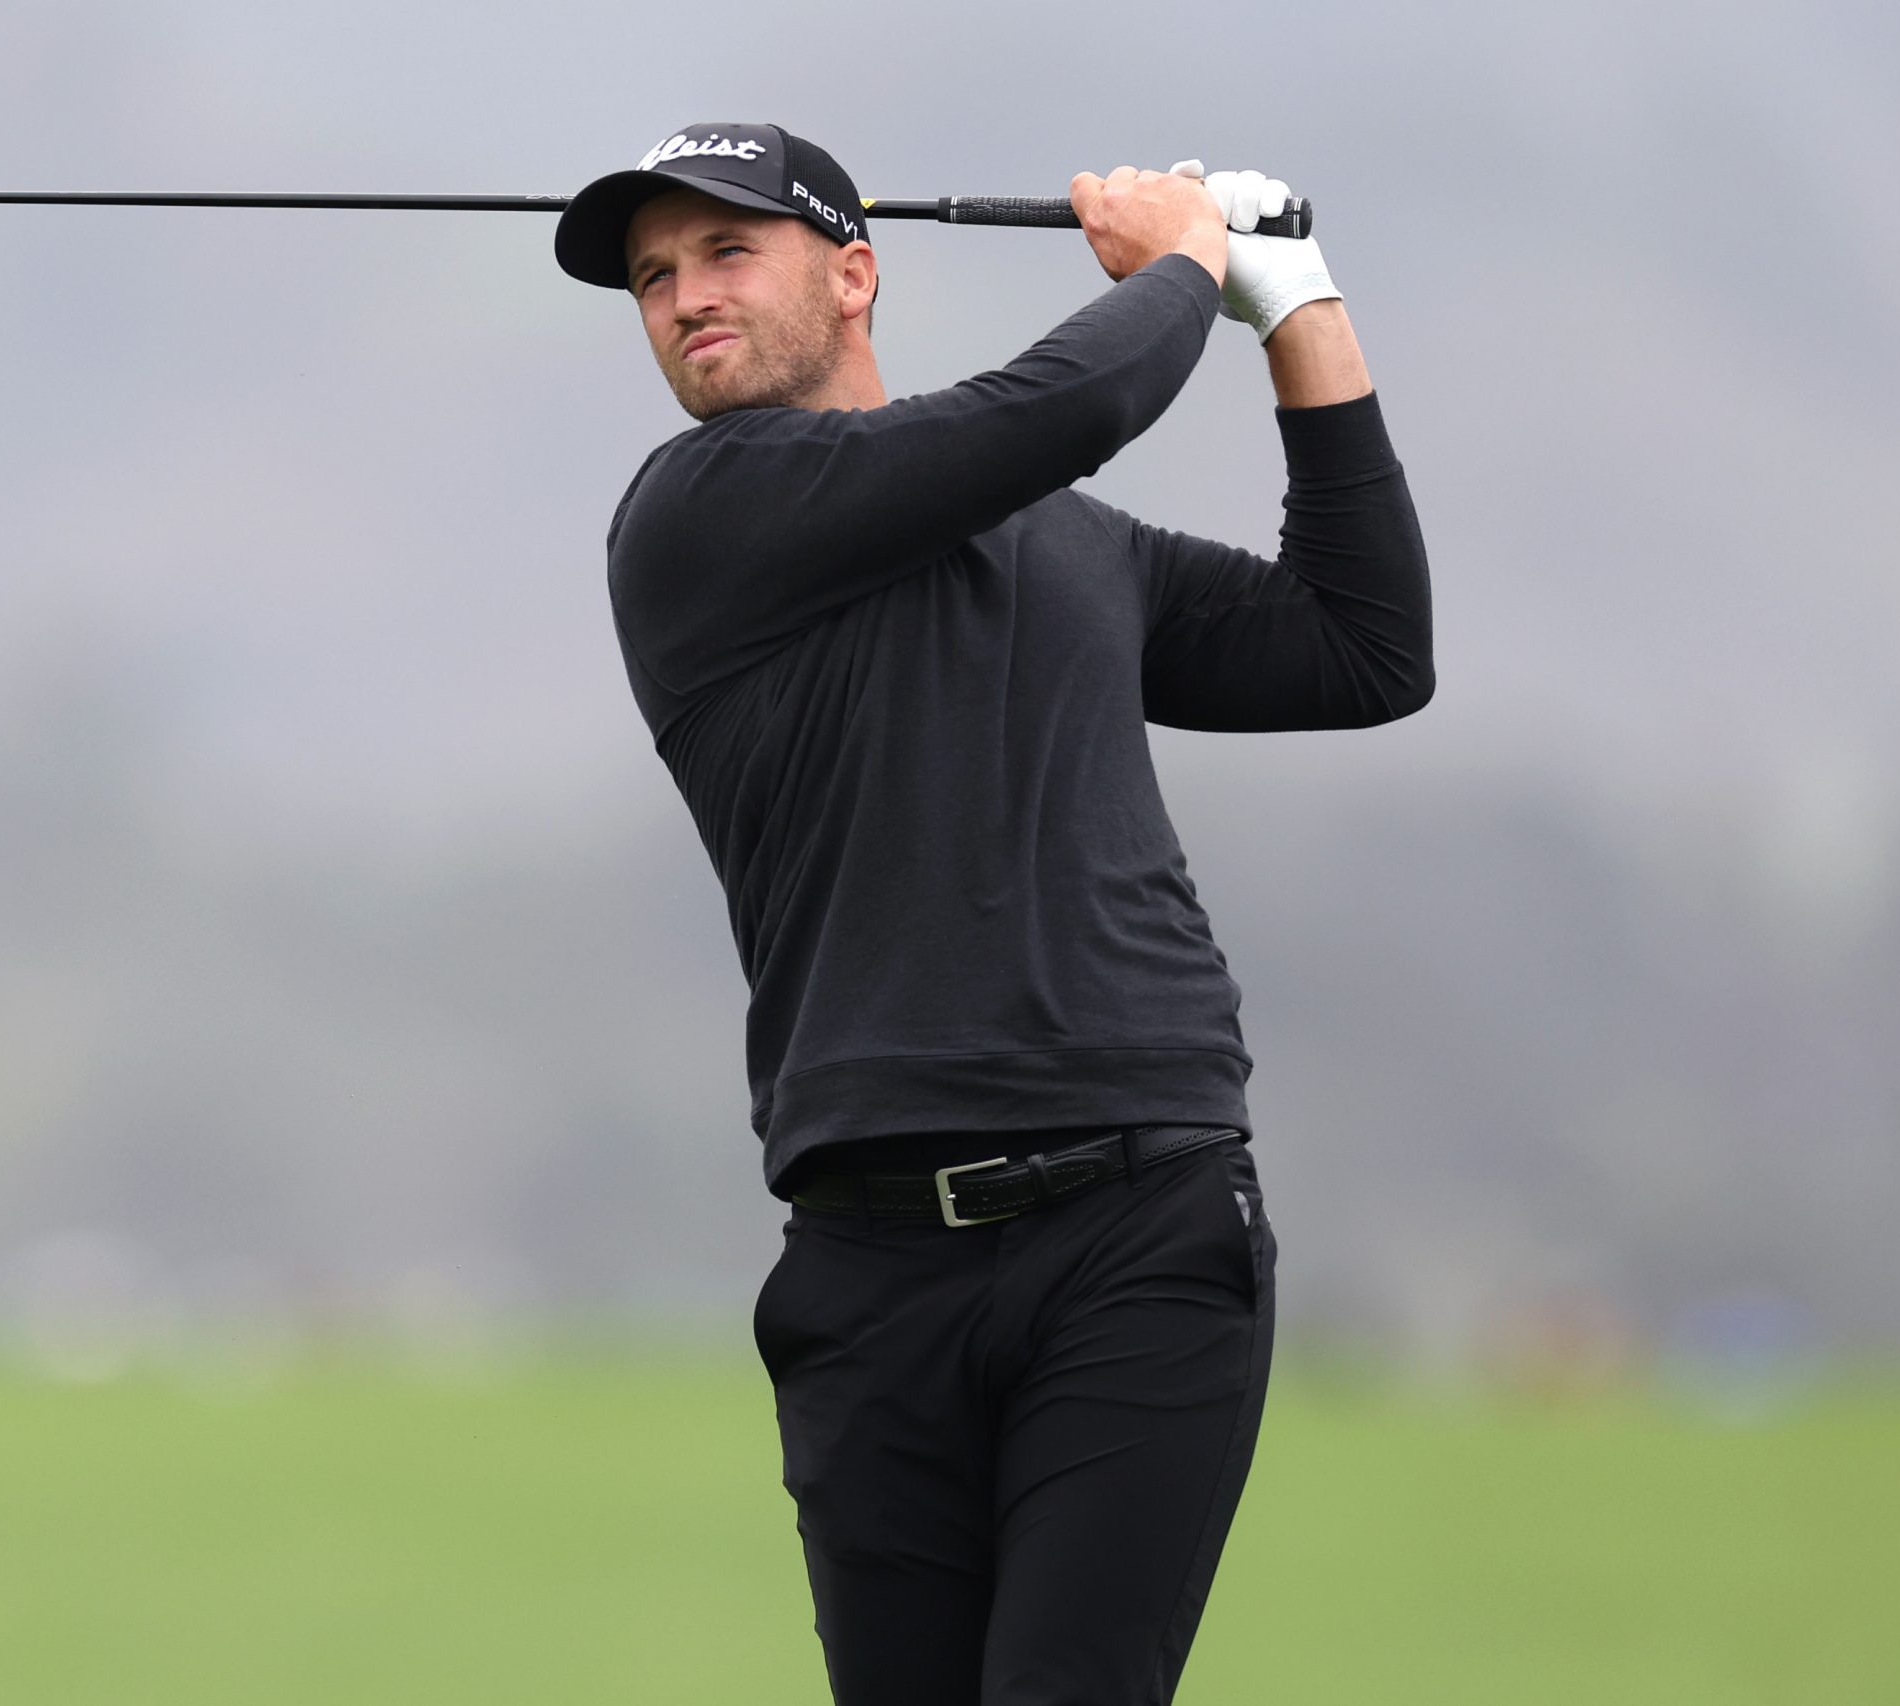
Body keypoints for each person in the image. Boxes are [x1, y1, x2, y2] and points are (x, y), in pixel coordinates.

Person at [554, 123, 1432, 1705]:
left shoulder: (1074, 548)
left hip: (1140, 1225)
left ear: (854, 275)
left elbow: (1362, 647)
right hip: (868, 1262)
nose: (684, 297)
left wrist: (1298, 305)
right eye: (652, 277)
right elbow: (1066, 408)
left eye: (726, 250)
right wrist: (1188, 256)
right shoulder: (696, 518)